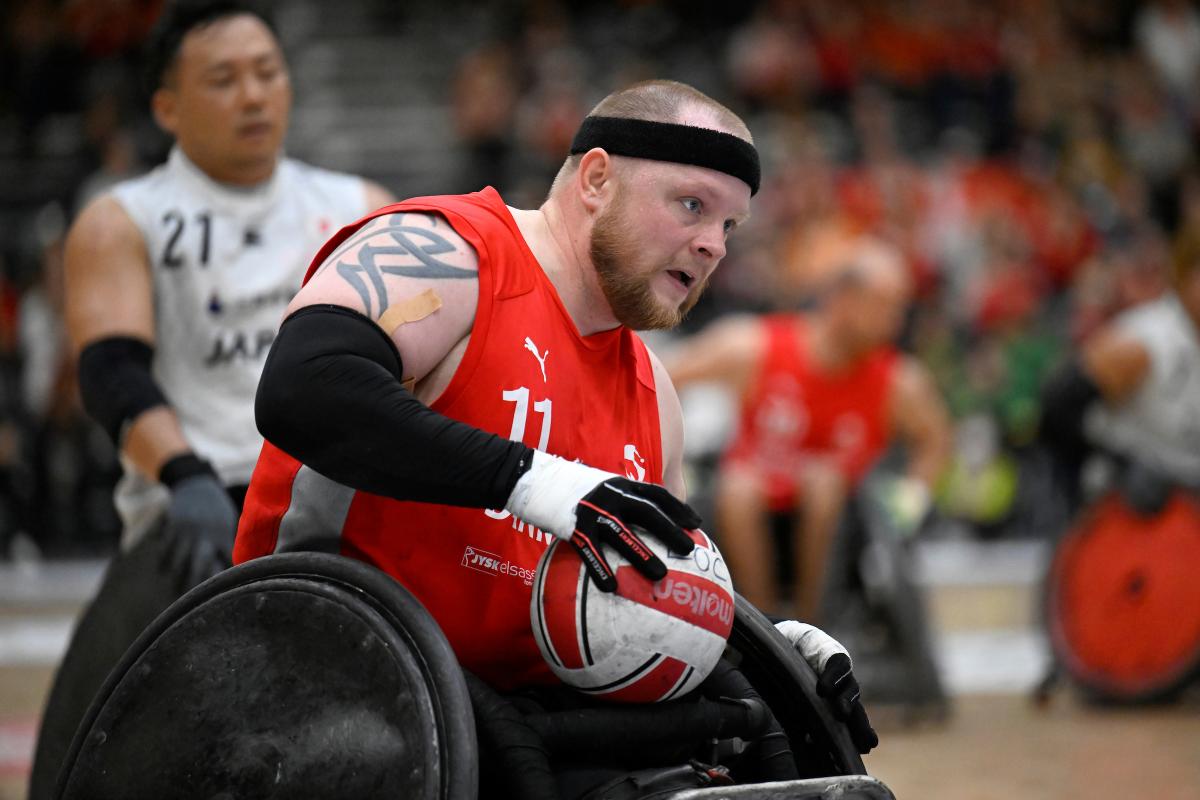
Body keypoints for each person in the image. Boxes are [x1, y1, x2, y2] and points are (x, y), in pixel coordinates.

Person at [233, 79, 877, 757]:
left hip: (514, 728)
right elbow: (302, 388)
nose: (713, 244)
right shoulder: (450, 253)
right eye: (693, 205)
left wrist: (760, 641)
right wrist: (528, 478)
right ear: (597, 179)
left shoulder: (655, 394)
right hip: (324, 688)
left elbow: (648, 597)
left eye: (729, 226)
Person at [29, 2, 394, 795]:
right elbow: (113, 372)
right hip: (196, 501)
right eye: (224, 80)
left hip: (341, 503)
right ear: (167, 107)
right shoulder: (124, 218)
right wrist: (185, 476)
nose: (254, 96)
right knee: (98, 754)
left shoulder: (362, 202)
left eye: (267, 73)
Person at [664, 235, 951, 622]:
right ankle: (765, 626)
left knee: (822, 482)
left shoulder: (899, 382)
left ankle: (811, 625)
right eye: (885, 306)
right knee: (739, 487)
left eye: (899, 308)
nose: (896, 322)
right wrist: (673, 466)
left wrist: (910, 499)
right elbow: (661, 376)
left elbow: (935, 440)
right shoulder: (756, 346)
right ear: (843, 298)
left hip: (842, 527)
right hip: (746, 509)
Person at [1041, 225, 1200, 515]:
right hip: (1131, 506)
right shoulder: (1144, 344)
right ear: (1184, 276)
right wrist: (1120, 464)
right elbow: (1056, 406)